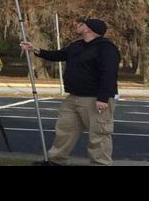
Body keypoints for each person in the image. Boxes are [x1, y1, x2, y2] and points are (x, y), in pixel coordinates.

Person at [21, 18, 121, 166]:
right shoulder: (76, 45)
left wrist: (103, 98)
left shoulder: (106, 48)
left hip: (95, 99)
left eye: (82, 24)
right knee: (65, 130)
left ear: (89, 29)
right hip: (73, 97)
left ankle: (101, 163)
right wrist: (35, 49)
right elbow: (58, 55)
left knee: (99, 134)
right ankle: (57, 160)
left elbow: (109, 74)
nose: (78, 25)